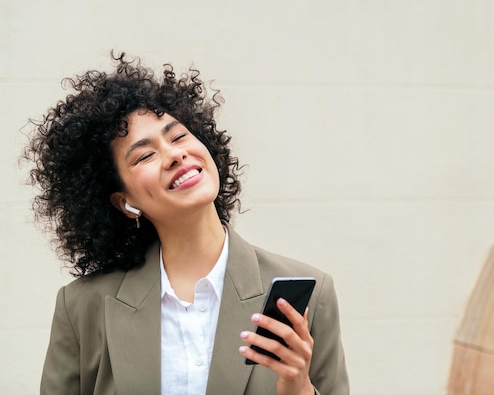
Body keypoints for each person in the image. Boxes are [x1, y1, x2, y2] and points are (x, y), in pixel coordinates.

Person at [23, 52, 349, 395]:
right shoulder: (81, 307)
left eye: (178, 137)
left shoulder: (310, 293)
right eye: (145, 155)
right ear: (125, 201)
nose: (175, 154)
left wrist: (298, 389)